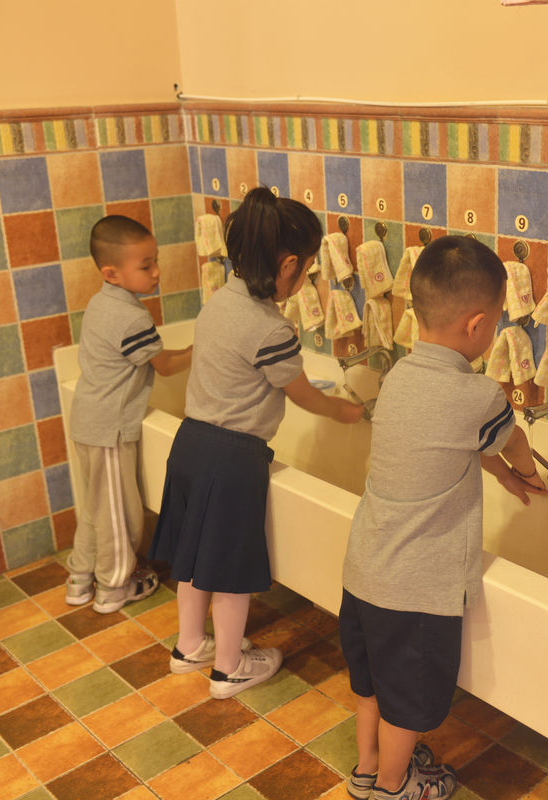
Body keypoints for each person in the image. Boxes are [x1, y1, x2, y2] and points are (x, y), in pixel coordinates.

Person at [339, 236, 548, 800]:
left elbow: (447, 444)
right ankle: (394, 786)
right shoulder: (479, 395)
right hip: (415, 588)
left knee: (372, 686)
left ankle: (367, 769)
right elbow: (513, 439)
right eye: (497, 322)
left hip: (364, 571)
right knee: (407, 701)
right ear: (476, 326)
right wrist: (524, 469)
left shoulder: (399, 378)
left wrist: (498, 475)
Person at [149, 187, 363, 698]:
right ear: (289, 265)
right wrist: (346, 411)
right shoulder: (271, 329)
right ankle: (229, 669)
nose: (306, 277)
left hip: (190, 443)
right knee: (231, 566)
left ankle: (189, 646)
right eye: (308, 269)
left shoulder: (219, 302)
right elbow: (304, 395)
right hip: (233, 458)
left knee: (195, 555)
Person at [66, 215, 192, 614]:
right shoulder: (132, 317)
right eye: (145, 266)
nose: (156, 272)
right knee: (119, 515)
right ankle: (115, 586)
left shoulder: (101, 303)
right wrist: (204, 347)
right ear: (112, 273)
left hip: (89, 421)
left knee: (97, 510)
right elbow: (165, 366)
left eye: (156, 261)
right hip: (110, 429)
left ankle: (80, 578)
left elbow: (155, 357)